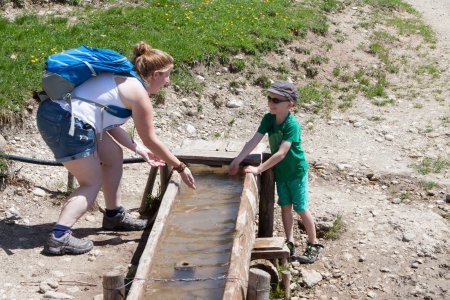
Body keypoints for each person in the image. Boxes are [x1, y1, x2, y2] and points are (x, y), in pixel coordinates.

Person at [36, 41, 196, 255]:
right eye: (167, 75)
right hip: (66, 122)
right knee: (90, 182)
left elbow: (107, 124)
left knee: (112, 154)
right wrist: (179, 166)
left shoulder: (122, 77)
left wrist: (138, 150)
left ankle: (113, 215)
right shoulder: (138, 94)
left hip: (57, 114)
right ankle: (59, 236)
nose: (168, 81)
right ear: (156, 74)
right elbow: (151, 139)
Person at [229, 80, 323, 264]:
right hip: (281, 172)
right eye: (269, 98)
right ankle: (290, 242)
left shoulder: (291, 125)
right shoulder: (268, 119)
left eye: (276, 100)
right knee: (285, 207)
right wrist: (237, 160)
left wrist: (258, 169)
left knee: (301, 208)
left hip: (295, 171)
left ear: (289, 104)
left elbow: (281, 153)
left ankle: (314, 244)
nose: (271, 103)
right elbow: (253, 141)